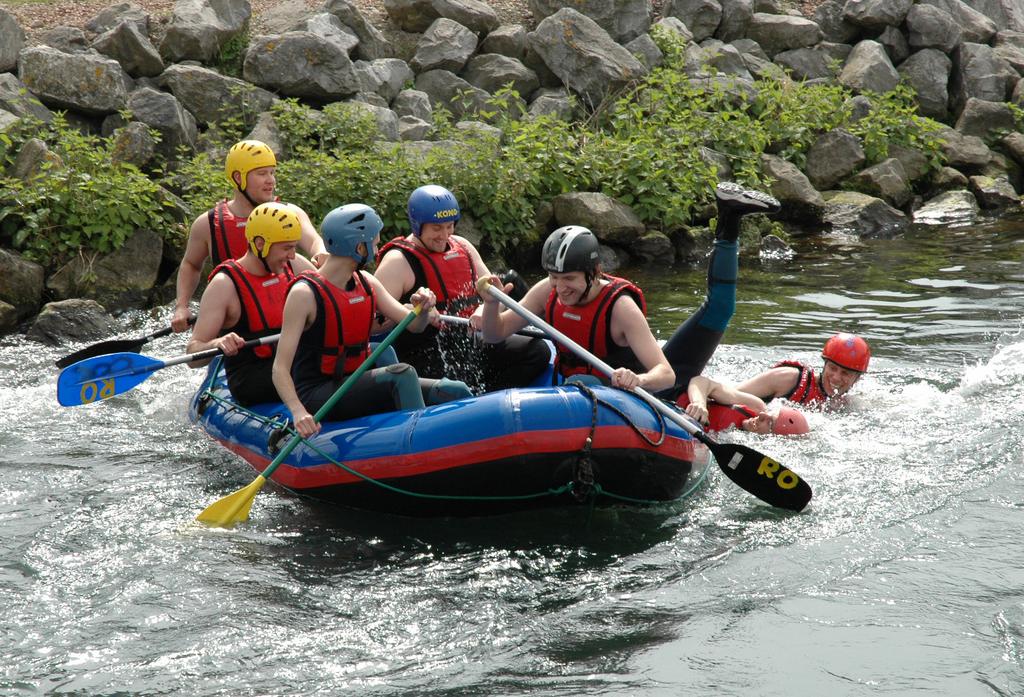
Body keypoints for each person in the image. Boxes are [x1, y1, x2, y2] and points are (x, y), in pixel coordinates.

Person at [273, 203, 473, 438]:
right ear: (359, 247)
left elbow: (413, 326)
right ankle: (420, 444)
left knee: (454, 390)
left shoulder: (367, 281)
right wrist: (298, 412)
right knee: (402, 374)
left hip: (353, 379)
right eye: (375, 244)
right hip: (318, 392)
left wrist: (423, 308)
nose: (377, 250)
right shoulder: (304, 294)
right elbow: (280, 368)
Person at [373, 184, 550, 393]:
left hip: (471, 341)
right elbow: (372, 326)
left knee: (537, 351)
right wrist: (411, 312)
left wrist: (484, 309)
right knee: (454, 380)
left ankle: (486, 397)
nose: (444, 235)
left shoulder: (463, 246)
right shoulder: (398, 261)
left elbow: (493, 292)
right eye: (436, 228)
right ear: (417, 225)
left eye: (449, 226)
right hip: (426, 352)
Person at [479, 225, 675, 391]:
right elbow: (494, 334)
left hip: (617, 394)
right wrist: (491, 304)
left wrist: (638, 379)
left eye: (569, 278)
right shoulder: (547, 290)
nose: (560, 288)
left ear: (595, 272)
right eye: (554, 277)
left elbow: (666, 373)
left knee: (580, 383)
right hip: (570, 387)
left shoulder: (621, 308)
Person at [171, 140, 328, 332]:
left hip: (284, 318)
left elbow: (313, 241)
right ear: (238, 178)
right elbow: (191, 265)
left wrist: (320, 252)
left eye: (272, 172)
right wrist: (182, 306)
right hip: (235, 328)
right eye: (262, 173)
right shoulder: (208, 224)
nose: (270, 180)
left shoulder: (288, 213)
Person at [186, 202, 317, 406]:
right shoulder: (224, 285)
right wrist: (218, 342)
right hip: (252, 378)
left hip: (291, 362)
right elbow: (193, 354)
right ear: (259, 244)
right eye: (286, 248)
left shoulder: (296, 266)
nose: (292, 255)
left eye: (294, 247)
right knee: (317, 368)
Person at [736, 331, 871, 406]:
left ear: (857, 378)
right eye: (832, 368)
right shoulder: (788, 379)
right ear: (824, 365)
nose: (836, 377)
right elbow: (732, 393)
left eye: (845, 373)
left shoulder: (850, 403)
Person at [680, 375, 809, 435]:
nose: (762, 416)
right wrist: (699, 403)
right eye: (769, 414)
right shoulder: (755, 406)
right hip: (673, 396)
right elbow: (701, 381)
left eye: (770, 423)